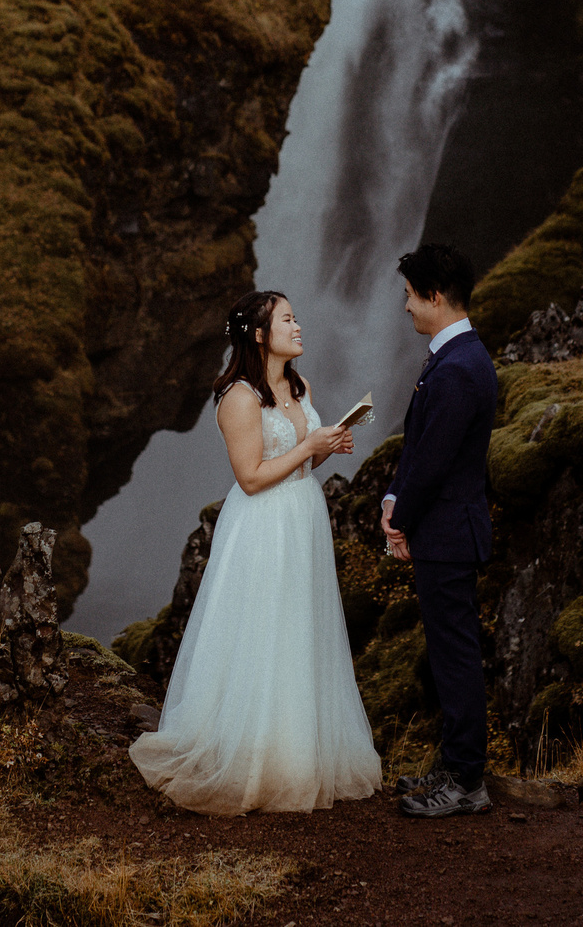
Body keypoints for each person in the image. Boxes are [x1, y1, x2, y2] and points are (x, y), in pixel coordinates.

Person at [130, 290, 382, 813]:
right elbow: (249, 478)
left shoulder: (300, 385)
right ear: (261, 335)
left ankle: (297, 755)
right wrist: (308, 449)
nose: (298, 326)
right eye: (288, 319)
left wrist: (327, 444)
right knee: (263, 631)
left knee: (299, 628)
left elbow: (300, 458)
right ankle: (251, 756)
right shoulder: (238, 398)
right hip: (264, 524)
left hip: (303, 518)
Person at [381, 242, 498, 818]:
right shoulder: (456, 357)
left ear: (432, 296)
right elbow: (423, 451)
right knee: (448, 653)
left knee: (454, 655)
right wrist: (392, 497)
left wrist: (398, 520)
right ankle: (454, 767)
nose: (404, 307)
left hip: (447, 533)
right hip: (447, 528)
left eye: (408, 295)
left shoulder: (457, 368)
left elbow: (432, 461)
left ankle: (467, 782)